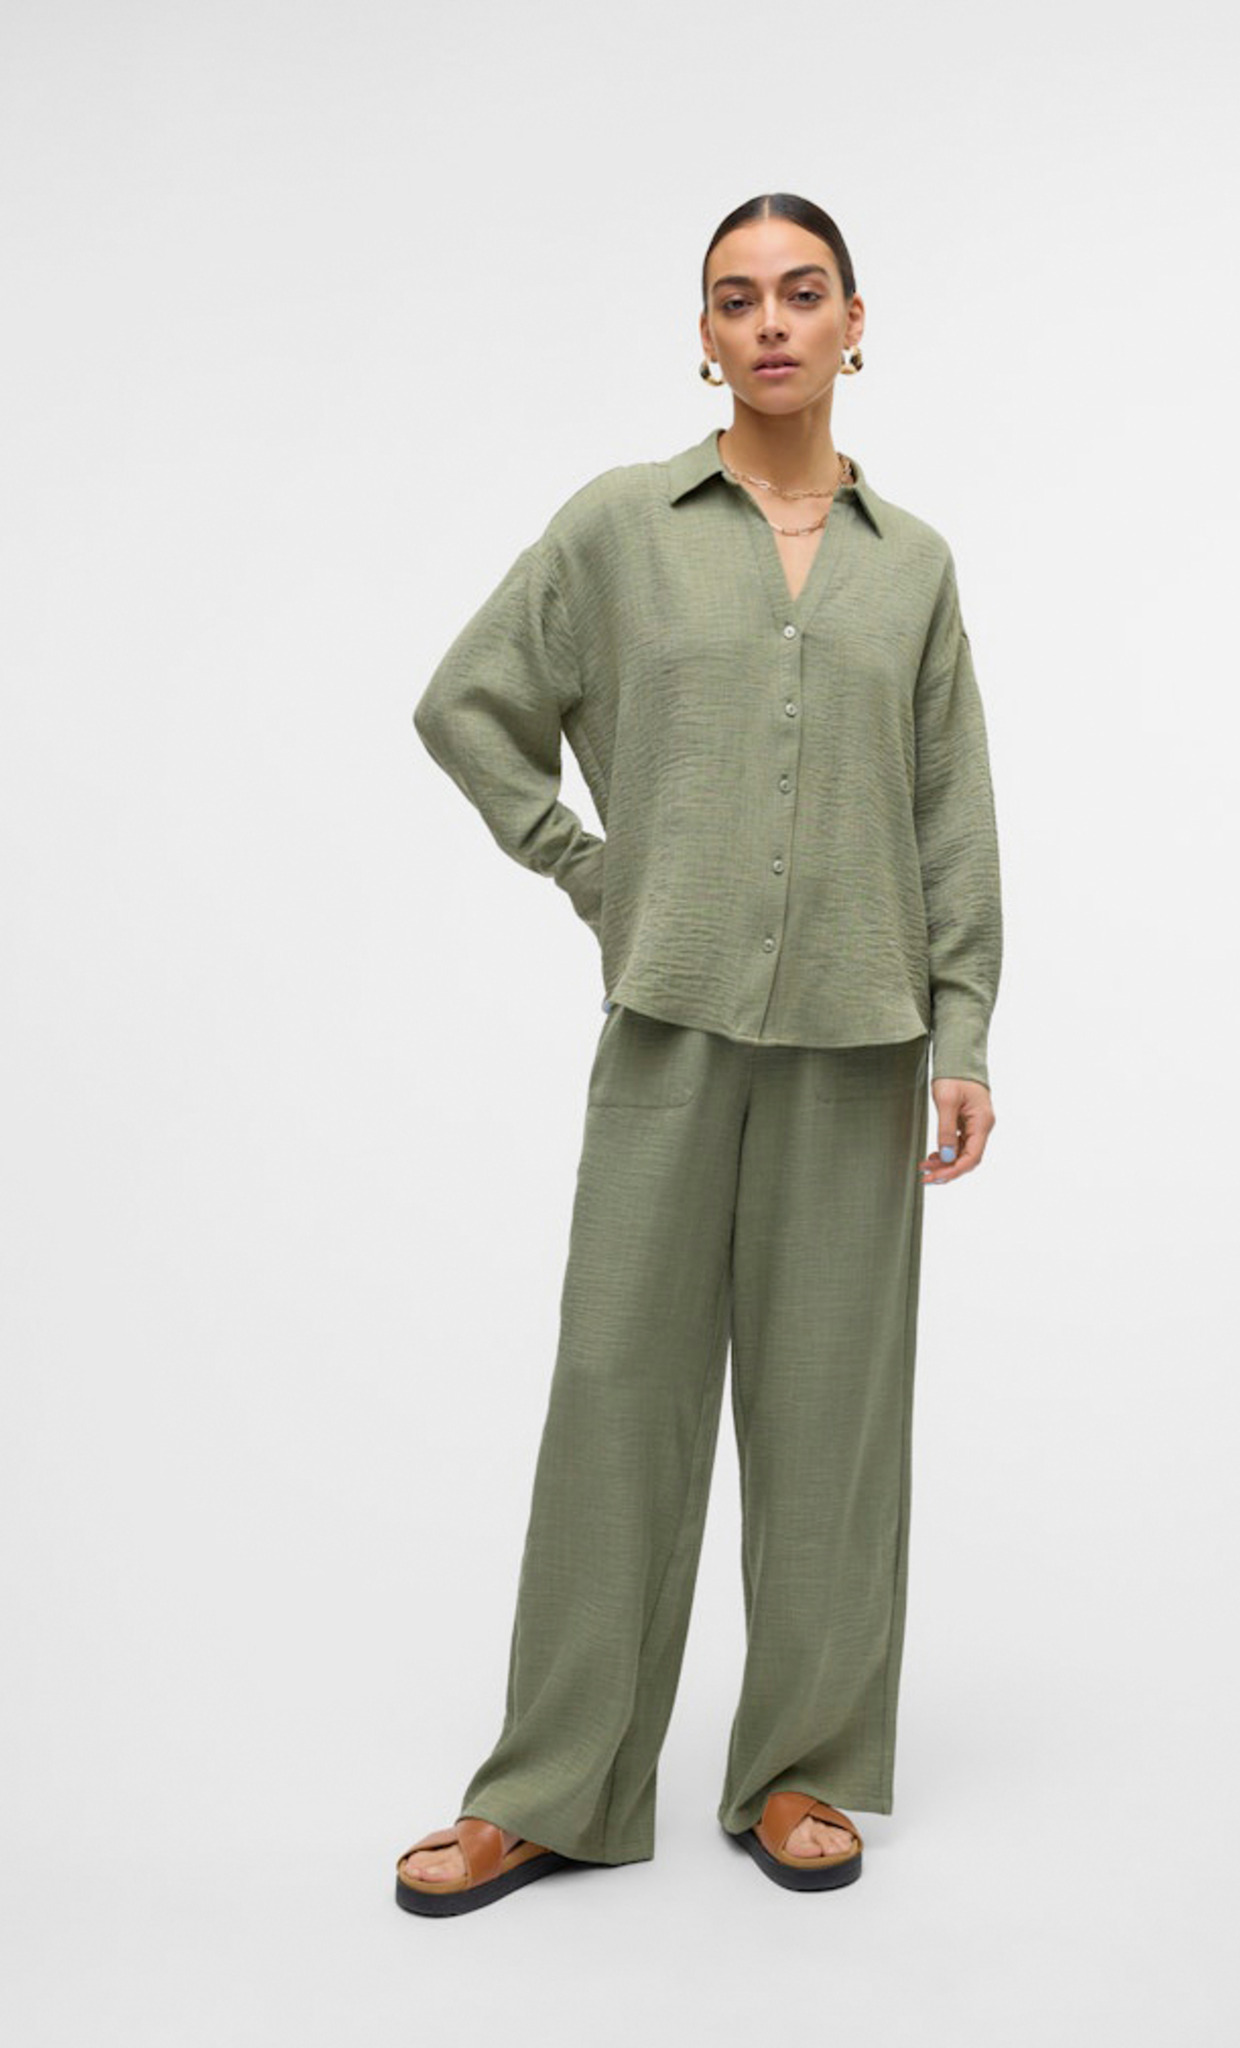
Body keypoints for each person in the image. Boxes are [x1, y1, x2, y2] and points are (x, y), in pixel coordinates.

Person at [394, 192, 1003, 1911]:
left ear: (856, 323)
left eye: (803, 294)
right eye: (739, 299)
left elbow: (951, 810)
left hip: (861, 1036)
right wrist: (598, 875)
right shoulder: (619, 529)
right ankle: (554, 1788)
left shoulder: (914, 565)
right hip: (667, 1025)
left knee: (831, 1422)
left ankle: (802, 1770)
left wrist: (964, 1026)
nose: (772, 323)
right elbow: (467, 705)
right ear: (707, 335)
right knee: (616, 1399)